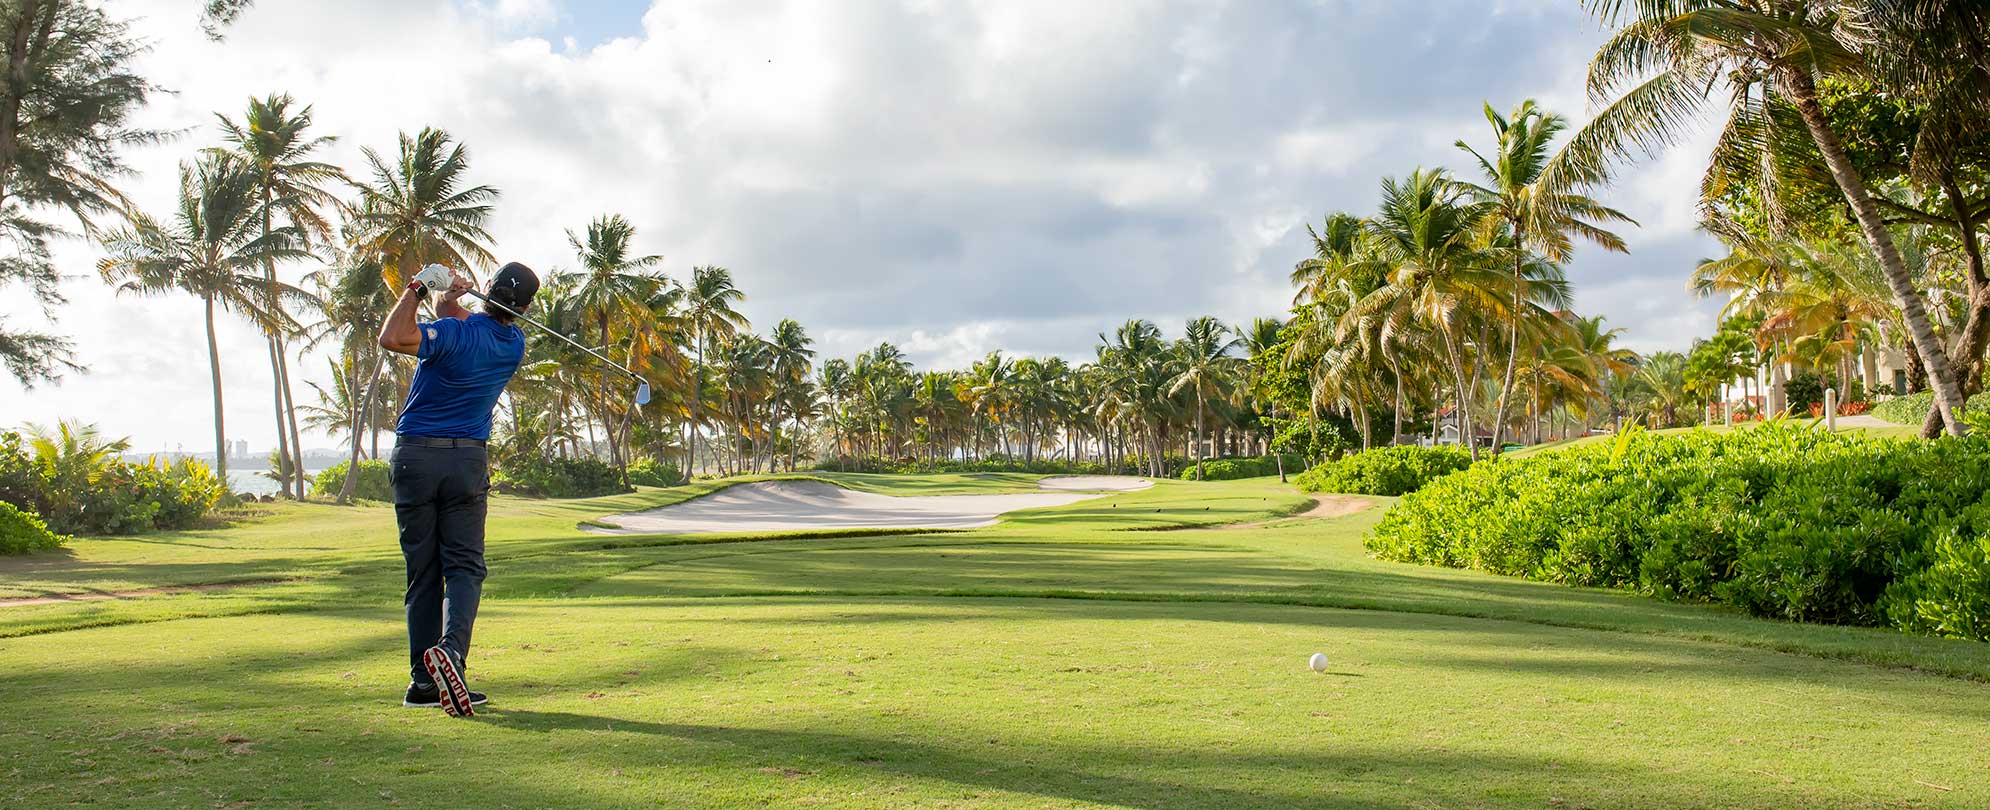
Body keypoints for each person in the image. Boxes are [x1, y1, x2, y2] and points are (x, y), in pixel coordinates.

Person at [376, 261, 539, 717]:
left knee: (423, 574)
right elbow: (464, 320)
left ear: (488, 291)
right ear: (525, 308)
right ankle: (451, 653)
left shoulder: (449, 334)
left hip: (415, 458)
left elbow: (393, 338)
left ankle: (425, 681)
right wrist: (451, 297)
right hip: (466, 460)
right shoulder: (513, 343)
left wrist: (417, 288)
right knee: (464, 568)